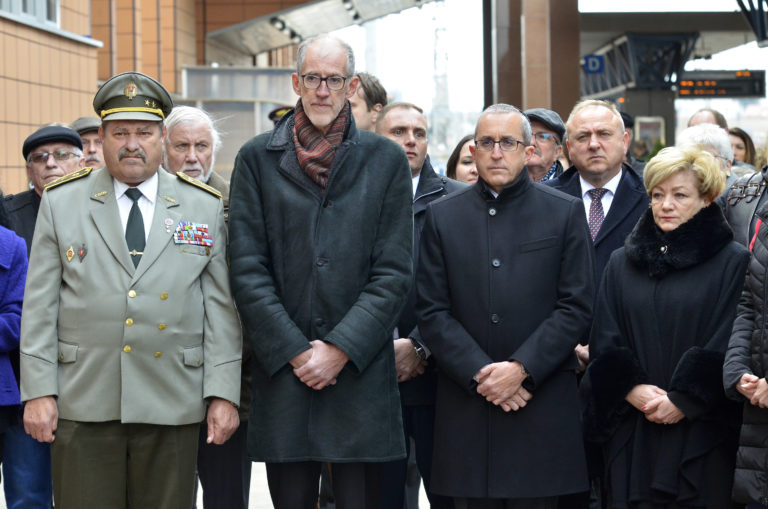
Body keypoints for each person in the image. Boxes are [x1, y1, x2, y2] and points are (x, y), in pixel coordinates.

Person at [20, 71, 242, 509]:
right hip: (85, 399)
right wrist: (38, 391)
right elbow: (40, 306)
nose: (132, 143)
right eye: (120, 132)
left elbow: (220, 310)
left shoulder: (202, 204)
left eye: (144, 131)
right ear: (100, 138)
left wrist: (223, 392)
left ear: (162, 137)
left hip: (172, 397)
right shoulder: (63, 201)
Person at [228, 35, 413, 509]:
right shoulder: (255, 158)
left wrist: (339, 349)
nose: (323, 90)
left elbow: (393, 271)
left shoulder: (384, 159)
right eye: (313, 78)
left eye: (334, 80)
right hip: (285, 373)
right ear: (296, 82)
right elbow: (248, 269)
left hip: (358, 372)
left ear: (351, 86)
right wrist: (295, 351)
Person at [417, 103, 594, 508]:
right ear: (474, 151)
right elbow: (431, 311)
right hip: (468, 410)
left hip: (540, 404)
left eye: (509, 143)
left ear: (528, 151)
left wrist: (521, 369)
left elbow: (577, 305)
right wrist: (483, 374)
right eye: (487, 143)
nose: (497, 152)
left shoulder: (564, 212)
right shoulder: (442, 217)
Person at [584, 145, 749, 508]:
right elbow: (605, 336)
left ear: (708, 198)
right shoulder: (621, 262)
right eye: (657, 195)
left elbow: (731, 338)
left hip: (701, 434)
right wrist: (629, 387)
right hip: (633, 429)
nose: (666, 204)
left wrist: (685, 399)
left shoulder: (732, 262)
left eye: (679, 195)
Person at [162, 104, 252, 509]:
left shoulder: (239, 204)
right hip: (161, 378)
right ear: (163, 148)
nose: (192, 156)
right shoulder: (146, 203)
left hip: (228, 377)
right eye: (182, 146)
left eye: (202, 145)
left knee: (226, 494)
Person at [376, 101, 463, 509]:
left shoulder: (458, 202)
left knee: (449, 495)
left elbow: (467, 289)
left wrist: (419, 345)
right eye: (398, 131)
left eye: (419, 132)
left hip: (440, 382)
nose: (410, 140)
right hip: (370, 381)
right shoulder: (346, 198)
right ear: (376, 137)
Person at [2, 124, 85, 509]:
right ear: (29, 170)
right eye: (40, 158)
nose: (51, 164)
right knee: (29, 492)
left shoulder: (101, 207)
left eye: (62, 154)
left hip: (88, 373)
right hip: (25, 379)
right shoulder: (9, 214)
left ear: (82, 159)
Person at [524, 108, 565, 182]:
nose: (532, 142)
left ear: (557, 152)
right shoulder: (502, 185)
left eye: (542, 137)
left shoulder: (571, 189)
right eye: (527, 136)